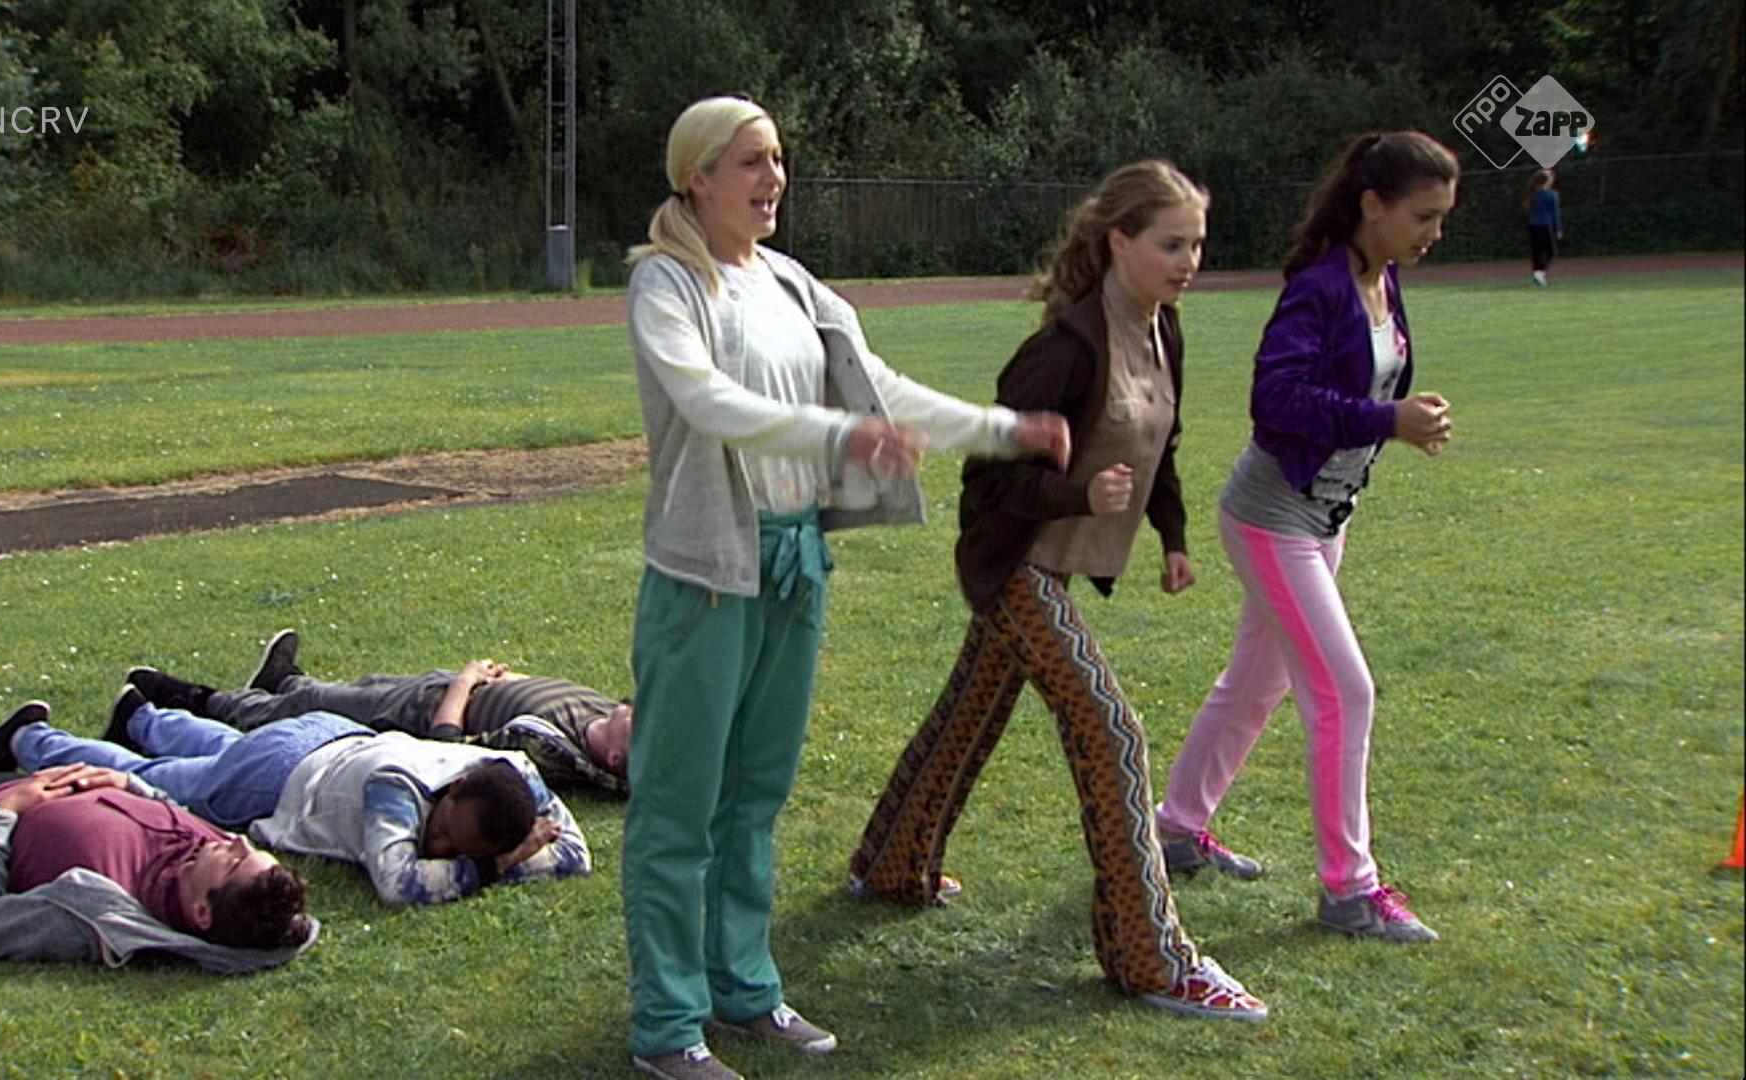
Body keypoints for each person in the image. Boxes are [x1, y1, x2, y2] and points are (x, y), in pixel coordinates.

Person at [620, 96, 1072, 1080]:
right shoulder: (666, 281)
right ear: (698, 176)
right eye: (750, 161)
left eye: (777, 159)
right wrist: (840, 436)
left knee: (756, 795)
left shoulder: (790, 282)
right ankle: (668, 1025)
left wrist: (1005, 429)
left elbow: (879, 391)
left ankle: (744, 988)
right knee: (679, 805)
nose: (772, 178)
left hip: (795, 562)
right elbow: (708, 401)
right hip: (706, 572)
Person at [846, 161, 1268, 1023]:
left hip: (1055, 565)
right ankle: (1150, 958)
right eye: (1171, 244)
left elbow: (1161, 445)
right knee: (1110, 727)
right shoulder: (1065, 349)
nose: (1189, 261)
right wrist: (1079, 495)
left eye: (1197, 244)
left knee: (972, 709)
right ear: (1119, 242)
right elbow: (989, 479)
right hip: (1012, 564)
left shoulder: (1164, 330)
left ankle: (891, 862)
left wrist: (1172, 537)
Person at [1153, 131, 1457, 944]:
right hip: (1271, 517)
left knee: (1258, 683)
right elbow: (1276, 400)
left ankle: (1176, 828)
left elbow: (1360, 384)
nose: (1434, 233)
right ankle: (1350, 892)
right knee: (1346, 691)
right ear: (1372, 205)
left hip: (1323, 517)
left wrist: (1399, 418)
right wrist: (1387, 420)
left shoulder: (1381, 277)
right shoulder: (1319, 287)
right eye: (1422, 216)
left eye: (1441, 218)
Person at [0, 684, 591, 907]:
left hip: (324, 738)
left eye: (457, 847)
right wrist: (499, 864)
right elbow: (399, 883)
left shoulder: (511, 770)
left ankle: (143, 715)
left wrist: (504, 847)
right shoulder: (397, 791)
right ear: (449, 790)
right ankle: (29, 740)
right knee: (161, 785)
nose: (442, 846)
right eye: (446, 831)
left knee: (222, 752)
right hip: (283, 776)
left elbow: (578, 855)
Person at [0, 709, 317, 972]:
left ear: (202, 913)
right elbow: (175, 811)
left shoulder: (101, 918)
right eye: (251, 849)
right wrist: (128, 785)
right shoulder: (212, 859)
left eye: (235, 860)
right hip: (7, 790)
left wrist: (4, 815)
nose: (237, 842)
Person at [128, 628, 631, 796]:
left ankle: (195, 699)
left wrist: (465, 682)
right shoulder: (605, 711)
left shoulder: (548, 749)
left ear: (613, 758)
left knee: (307, 713)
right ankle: (283, 680)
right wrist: (503, 676)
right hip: (450, 686)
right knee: (354, 688)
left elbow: (447, 747)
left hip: (424, 710)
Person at [1527, 169, 1562, 286]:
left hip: (1533, 225)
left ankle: (1537, 272)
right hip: (1546, 225)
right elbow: (1555, 213)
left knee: (1537, 251)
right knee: (1551, 251)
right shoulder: (1552, 194)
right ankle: (1540, 273)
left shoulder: (1533, 194)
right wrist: (1558, 229)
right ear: (1547, 181)